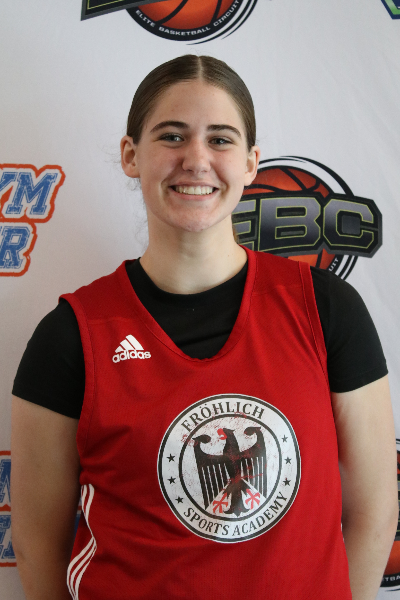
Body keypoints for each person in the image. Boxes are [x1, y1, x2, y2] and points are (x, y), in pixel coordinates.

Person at [11, 55, 397, 600]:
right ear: (131, 156)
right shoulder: (72, 336)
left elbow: (374, 511)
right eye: (172, 136)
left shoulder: (326, 309)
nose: (196, 159)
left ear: (251, 163)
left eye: (220, 139)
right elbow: (36, 545)